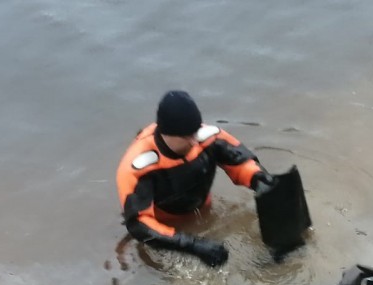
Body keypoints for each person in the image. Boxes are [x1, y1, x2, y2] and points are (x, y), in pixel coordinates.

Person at [116, 90, 275, 267]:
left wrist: (257, 179)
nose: (194, 142)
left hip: (203, 209)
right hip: (164, 229)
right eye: (186, 137)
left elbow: (240, 161)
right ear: (166, 133)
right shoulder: (138, 166)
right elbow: (140, 224)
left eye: (195, 132)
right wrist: (191, 245)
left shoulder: (206, 137)